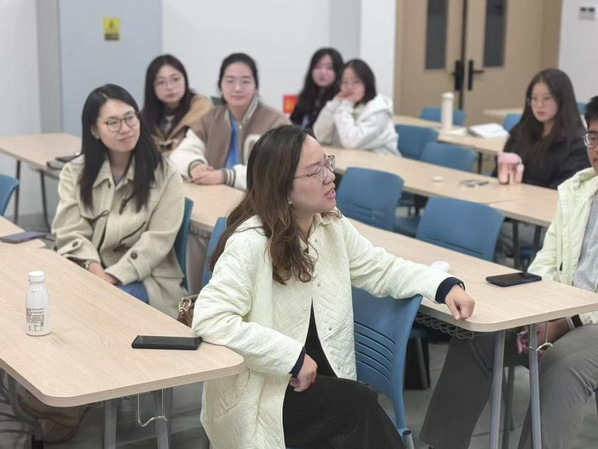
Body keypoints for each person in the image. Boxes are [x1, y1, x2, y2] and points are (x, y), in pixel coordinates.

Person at [192, 125, 475, 449]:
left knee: (356, 405)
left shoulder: (330, 224)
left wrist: (442, 285)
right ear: (283, 188)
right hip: (265, 392)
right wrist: (290, 357)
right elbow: (210, 319)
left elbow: (381, 268)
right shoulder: (251, 242)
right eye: (316, 171)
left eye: (328, 163)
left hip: (316, 382)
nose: (330, 176)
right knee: (358, 404)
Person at [421, 96, 598, 449]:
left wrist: (565, 321)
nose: (597, 149)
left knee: (563, 362)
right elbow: (548, 258)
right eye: (593, 138)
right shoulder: (580, 189)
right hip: (563, 309)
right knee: (481, 335)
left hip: (588, 322)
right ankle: (441, 445)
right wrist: (536, 312)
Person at [52, 84, 186, 319]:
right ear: (94, 130)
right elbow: (70, 230)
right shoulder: (75, 172)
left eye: (130, 118)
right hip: (90, 270)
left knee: (94, 311)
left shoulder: (165, 173)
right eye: (112, 122)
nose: (125, 128)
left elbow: (157, 241)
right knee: (48, 298)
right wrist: (96, 273)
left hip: (146, 278)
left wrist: (112, 277)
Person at [494, 68, 590, 262]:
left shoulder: (576, 144)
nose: (539, 105)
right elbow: (498, 174)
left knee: (489, 232)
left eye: (547, 98)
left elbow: (559, 196)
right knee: (470, 222)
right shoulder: (521, 132)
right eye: (533, 98)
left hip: (547, 224)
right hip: (512, 211)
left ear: (563, 100)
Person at [170, 52, 289, 190]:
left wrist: (225, 176)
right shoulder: (210, 118)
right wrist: (195, 166)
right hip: (216, 196)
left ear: (256, 87)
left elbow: (276, 170)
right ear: (220, 86)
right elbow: (180, 154)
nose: (237, 88)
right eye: (230, 81)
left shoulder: (276, 122)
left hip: (260, 199)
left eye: (245, 81)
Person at [313, 59, 399, 156]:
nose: (349, 87)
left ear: (367, 83)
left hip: (380, 161)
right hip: (348, 159)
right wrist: (334, 104)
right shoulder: (343, 103)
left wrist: (346, 105)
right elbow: (319, 136)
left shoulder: (379, 110)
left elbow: (350, 142)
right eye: (344, 82)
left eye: (356, 82)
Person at [140, 54, 212, 154]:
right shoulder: (142, 119)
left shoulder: (202, 110)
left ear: (185, 80)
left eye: (175, 79)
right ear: (151, 87)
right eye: (161, 82)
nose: (169, 87)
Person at [290, 48, 344, 129]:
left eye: (329, 68)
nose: (323, 72)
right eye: (318, 67)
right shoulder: (305, 98)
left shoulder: (339, 101)